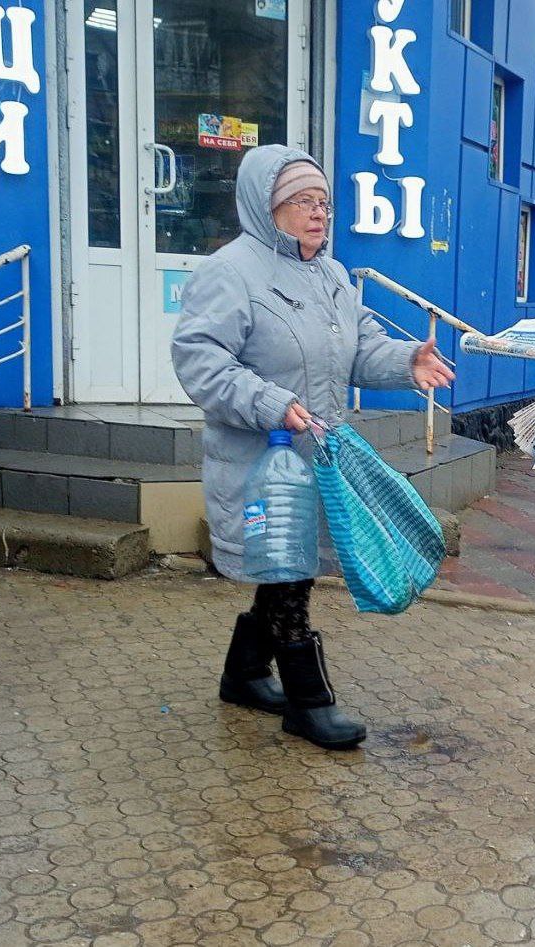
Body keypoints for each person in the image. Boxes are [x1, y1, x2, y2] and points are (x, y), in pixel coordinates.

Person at [171, 145, 454, 750]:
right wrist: (270, 403)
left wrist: (409, 361)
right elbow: (201, 362)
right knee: (290, 576)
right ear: (264, 206)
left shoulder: (331, 275)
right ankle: (309, 702)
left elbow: (357, 349)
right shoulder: (230, 272)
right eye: (301, 201)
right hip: (259, 462)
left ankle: (243, 674)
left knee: (285, 567)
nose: (318, 213)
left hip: (316, 458)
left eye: (323, 201)